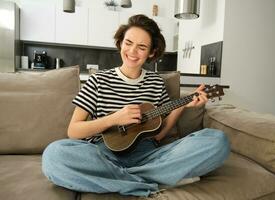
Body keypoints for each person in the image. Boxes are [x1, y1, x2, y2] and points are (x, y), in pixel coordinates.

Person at [42, 14, 230, 197]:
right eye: (128, 43)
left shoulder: (155, 83)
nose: (132, 51)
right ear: (121, 43)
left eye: (141, 47)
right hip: (102, 155)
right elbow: (73, 131)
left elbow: (159, 133)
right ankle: (148, 182)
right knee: (54, 155)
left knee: (218, 141)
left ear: (151, 52)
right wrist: (114, 118)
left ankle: (121, 180)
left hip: (148, 156)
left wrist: (183, 104)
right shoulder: (97, 80)